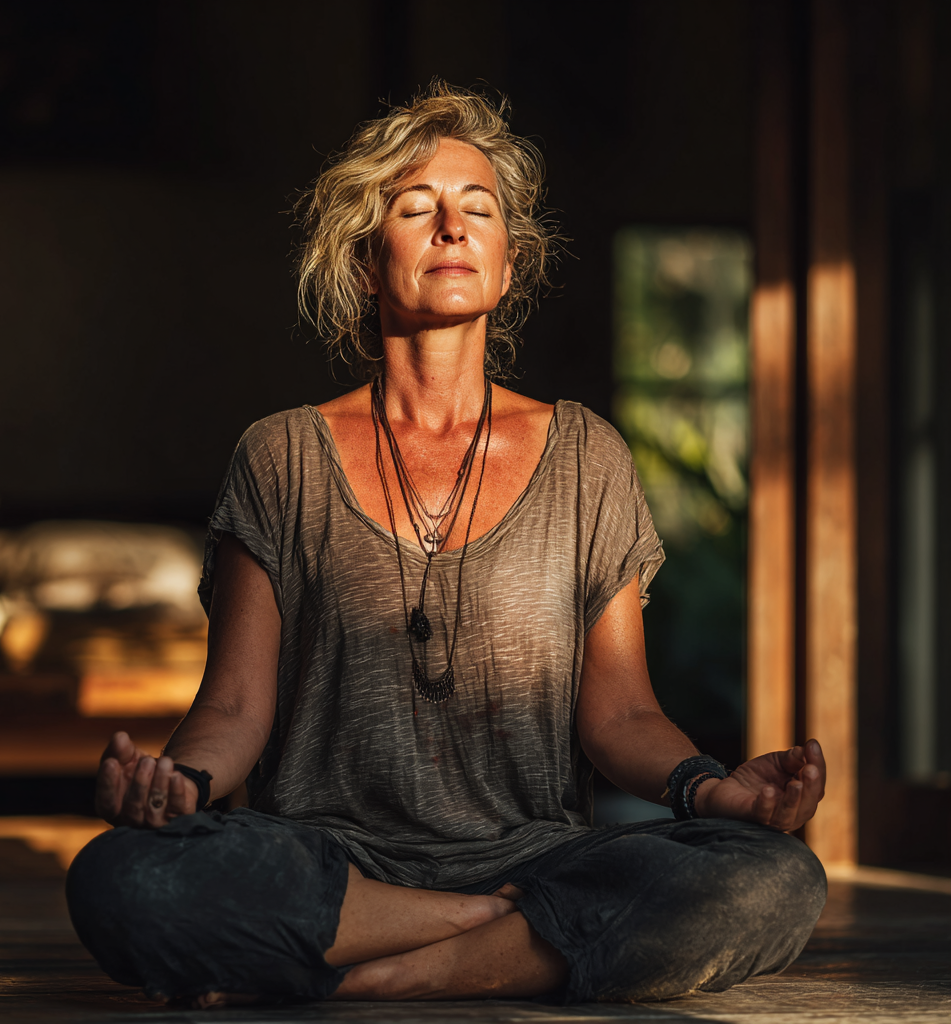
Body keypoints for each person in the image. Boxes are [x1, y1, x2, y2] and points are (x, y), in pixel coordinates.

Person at [66, 83, 827, 1007]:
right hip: (328, 858)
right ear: (363, 264)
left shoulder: (588, 455)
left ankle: (368, 979)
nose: (451, 227)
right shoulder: (280, 456)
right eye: (416, 208)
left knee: (779, 879)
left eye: (479, 209)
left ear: (509, 265)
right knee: (121, 878)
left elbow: (620, 718)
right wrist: (174, 787)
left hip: (538, 854)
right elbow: (233, 707)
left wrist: (715, 795)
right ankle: (486, 936)